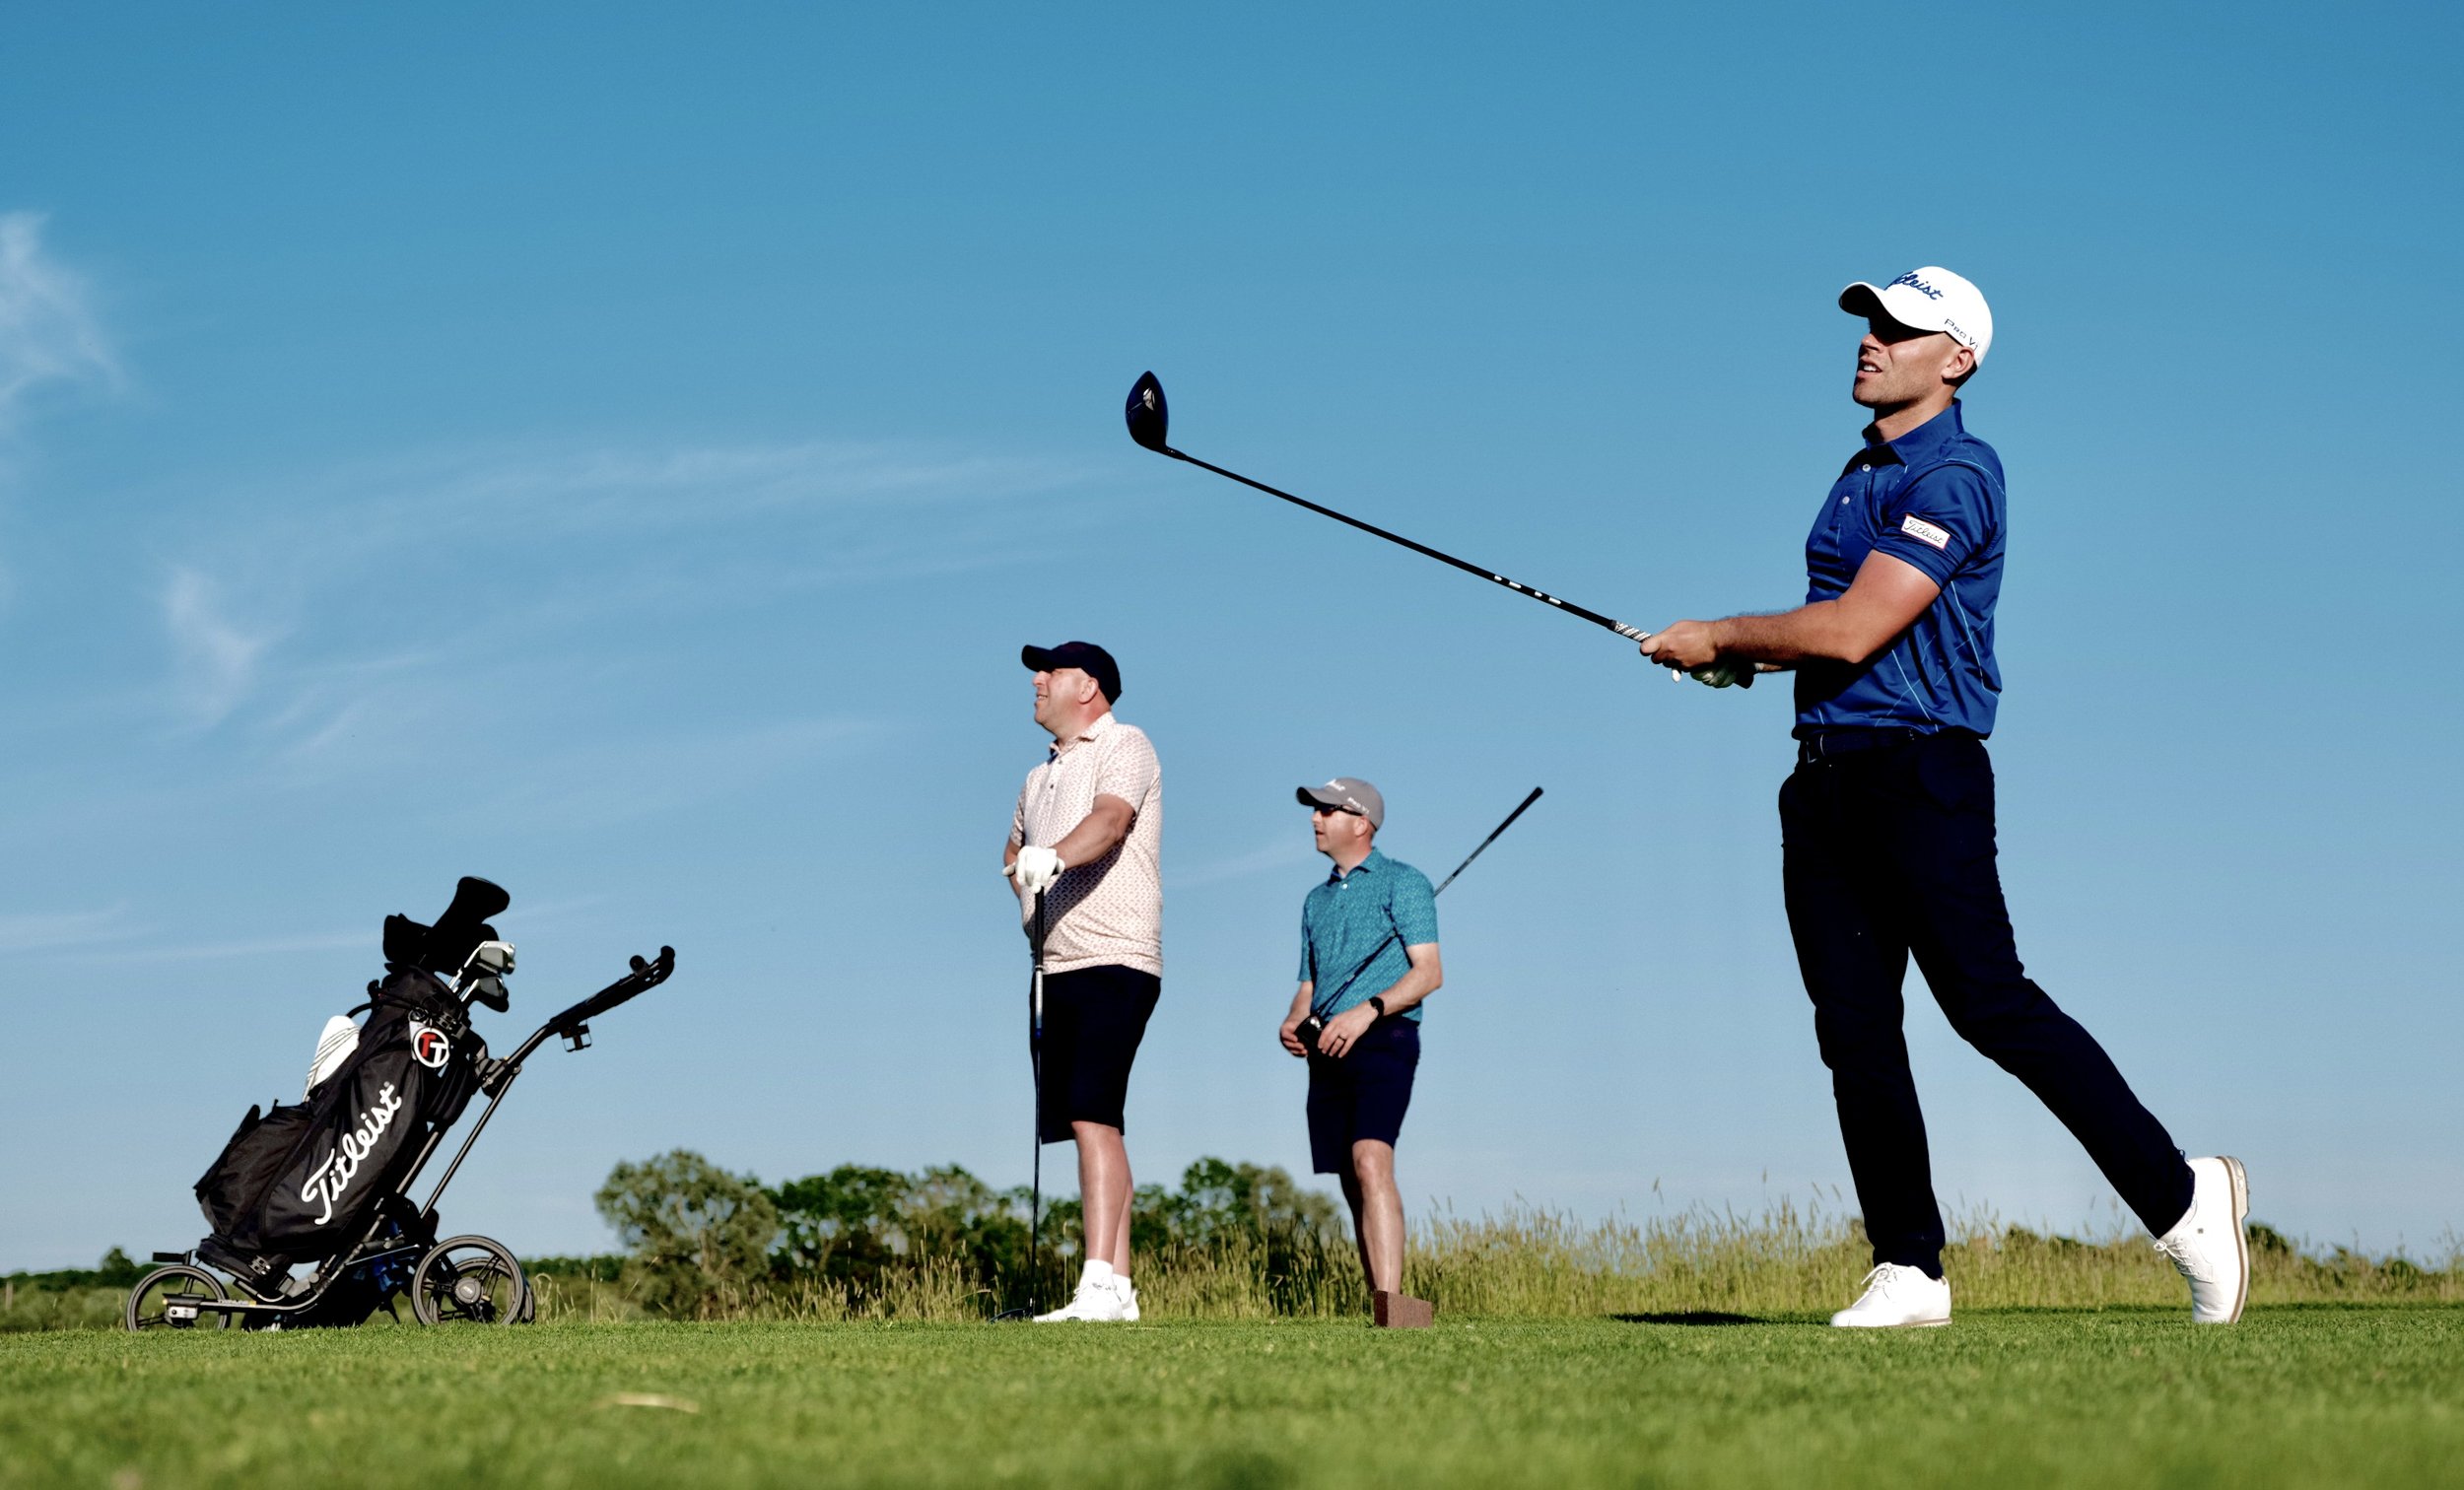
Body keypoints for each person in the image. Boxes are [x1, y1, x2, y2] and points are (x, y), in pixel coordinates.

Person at [1638, 267, 2249, 1327]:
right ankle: (1909, 1267)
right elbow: (1839, 635)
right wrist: (1741, 662)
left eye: (1900, 328)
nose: (1871, 339)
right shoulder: (1857, 471)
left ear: (1957, 359)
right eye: (1870, 322)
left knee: (1988, 1004)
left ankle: (2183, 1198)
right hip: (1823, 777)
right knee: (1854, 1028)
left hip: (1922, 774)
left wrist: (1722, 633)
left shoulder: (1959, 472)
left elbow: (1855, 629)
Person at [1003, 641, 1163, 1322]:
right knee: (1085, 1120)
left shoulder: (1125, 743)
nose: (1036, 681)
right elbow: (1012, 848)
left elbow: (1110, 820)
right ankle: (1117, 1289)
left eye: (1051, 671)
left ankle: (1097, 1284)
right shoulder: (1037, 776)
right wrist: (1025, 876)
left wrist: (1055, 857)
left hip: (1115, 957)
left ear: (1088, 687)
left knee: (1095, 1114)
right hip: (1054, 964)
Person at [1278, 778, 1442, 1327]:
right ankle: (1382, 1305)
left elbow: (1428, 973)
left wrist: (1368, 1010)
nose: (1315, 819)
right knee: (1351, 1177)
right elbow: (1309, 983)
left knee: (1371, 1159)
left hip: (1385, 1036)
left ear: (1361, 822)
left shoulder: (1405, 882)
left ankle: (1396, 1309)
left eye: (1326, 810)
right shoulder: (1315, 900)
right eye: (1315, 810)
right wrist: (1294, 1019)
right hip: (1327, 1047)